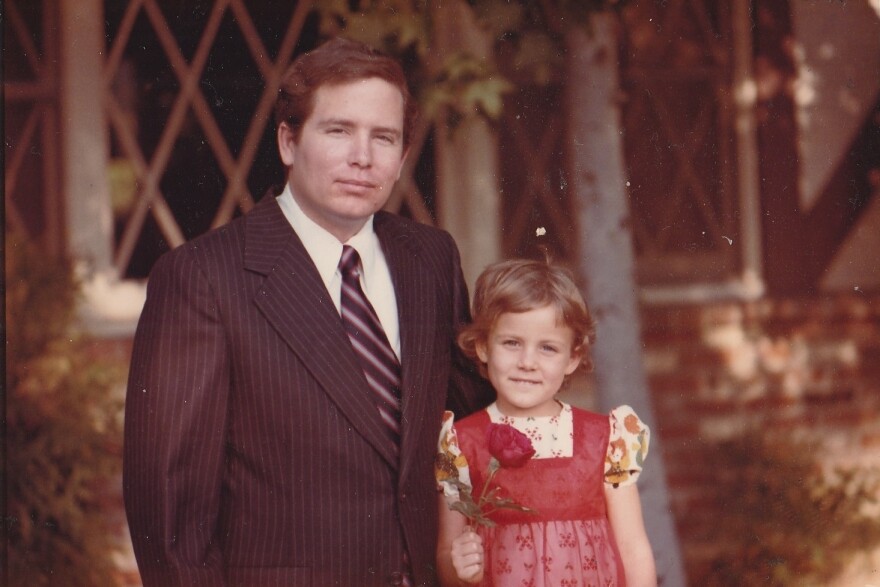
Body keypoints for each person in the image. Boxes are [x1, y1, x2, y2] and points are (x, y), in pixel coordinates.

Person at [123, 37, 490, 587]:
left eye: (383, 137)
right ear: (289, 142)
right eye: (338, 130)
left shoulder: (431, 259)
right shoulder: (202, 277)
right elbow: (170, 517)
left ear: (402, 158)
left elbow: (464, 433)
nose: (362, 157)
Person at [435, 259, 657, 586]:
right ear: (482, 346)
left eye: (548, 348)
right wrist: (461, 569)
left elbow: (632, 547)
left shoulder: (606, 439)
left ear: (573, 358)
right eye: (511, 343)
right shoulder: (459, 443)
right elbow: (446, 555)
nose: (527, 362)